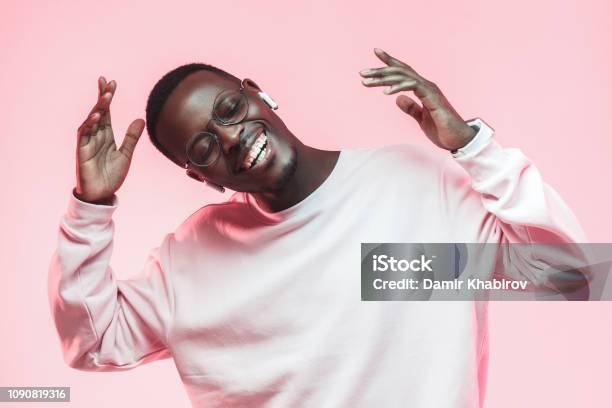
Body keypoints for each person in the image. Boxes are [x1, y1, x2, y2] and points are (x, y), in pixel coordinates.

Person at [48, 48, 586, 407]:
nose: (233, 138)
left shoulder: (411, 186)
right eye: (206, 147)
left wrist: (473, 146)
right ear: (201, 176)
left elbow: (566, 275)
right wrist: (91, 207)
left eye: (230, 108)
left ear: (258, 92)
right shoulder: (190, 261)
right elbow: (91, 341)